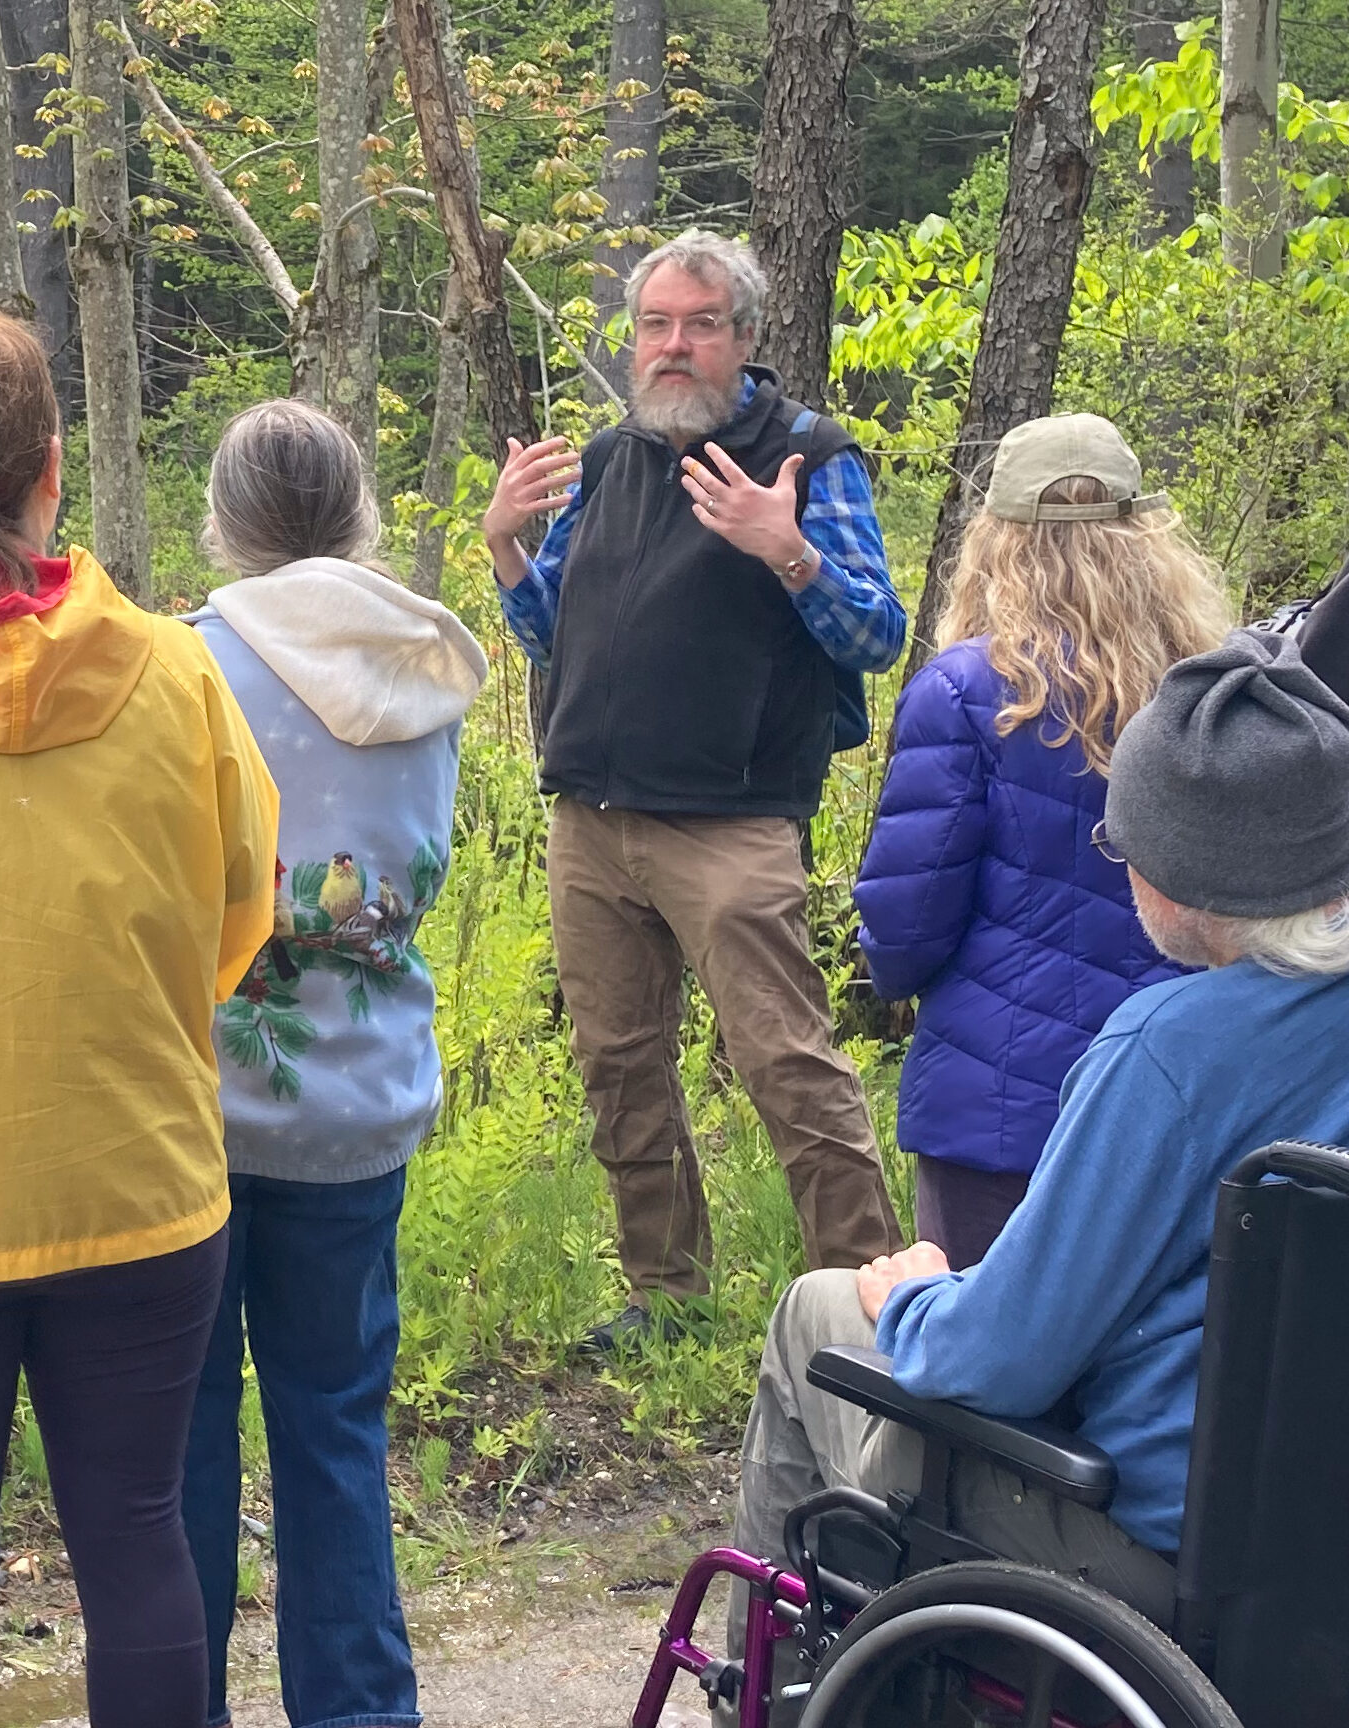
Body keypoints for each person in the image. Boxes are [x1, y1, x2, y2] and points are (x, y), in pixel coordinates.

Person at [0, 303, 279, 1728]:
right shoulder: (177, 671)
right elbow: (241, 909)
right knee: (138, 1537)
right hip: (138, 1181)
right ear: (53, 466)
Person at [732, 631, 1349, 1636]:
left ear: (1186, 880)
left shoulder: (1174, 1053)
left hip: (1159, 1558)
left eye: (1124, 844)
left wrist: (918, 1303)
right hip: (1323, 1561)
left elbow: (1003, 1359)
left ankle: (785, 1690)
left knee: (820, 1316)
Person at [482, 229, 903, 1350]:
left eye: (700, 325)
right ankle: (666, 1294)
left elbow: (877, 633)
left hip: (733, 825)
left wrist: (789, 550)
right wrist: (506, 548)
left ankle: (869, 1308)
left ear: (747, 339)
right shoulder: (618, 456)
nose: (673, 347)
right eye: (655, 326)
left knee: (790, 1070)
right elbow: (550, 632)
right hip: (593, 818)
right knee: (619, 1069)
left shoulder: (805, 454)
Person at [179, 401, 484, 1728]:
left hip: (194, 1115)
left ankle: (175, 1701)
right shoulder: (428, 666)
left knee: (179, 1446)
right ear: (358, 513)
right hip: (360, 1107)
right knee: (336, 1438)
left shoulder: (183, 664)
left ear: (226, 523)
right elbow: (402, 877)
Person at [852, 416, 1232, 1265]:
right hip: (1174, 1099)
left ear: (996, 541)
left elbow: (906, 926)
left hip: (993, 1109)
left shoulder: (964, 693)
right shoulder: (1217, 694)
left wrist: (896, 975)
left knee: (972, 1371)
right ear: (1146, 537)